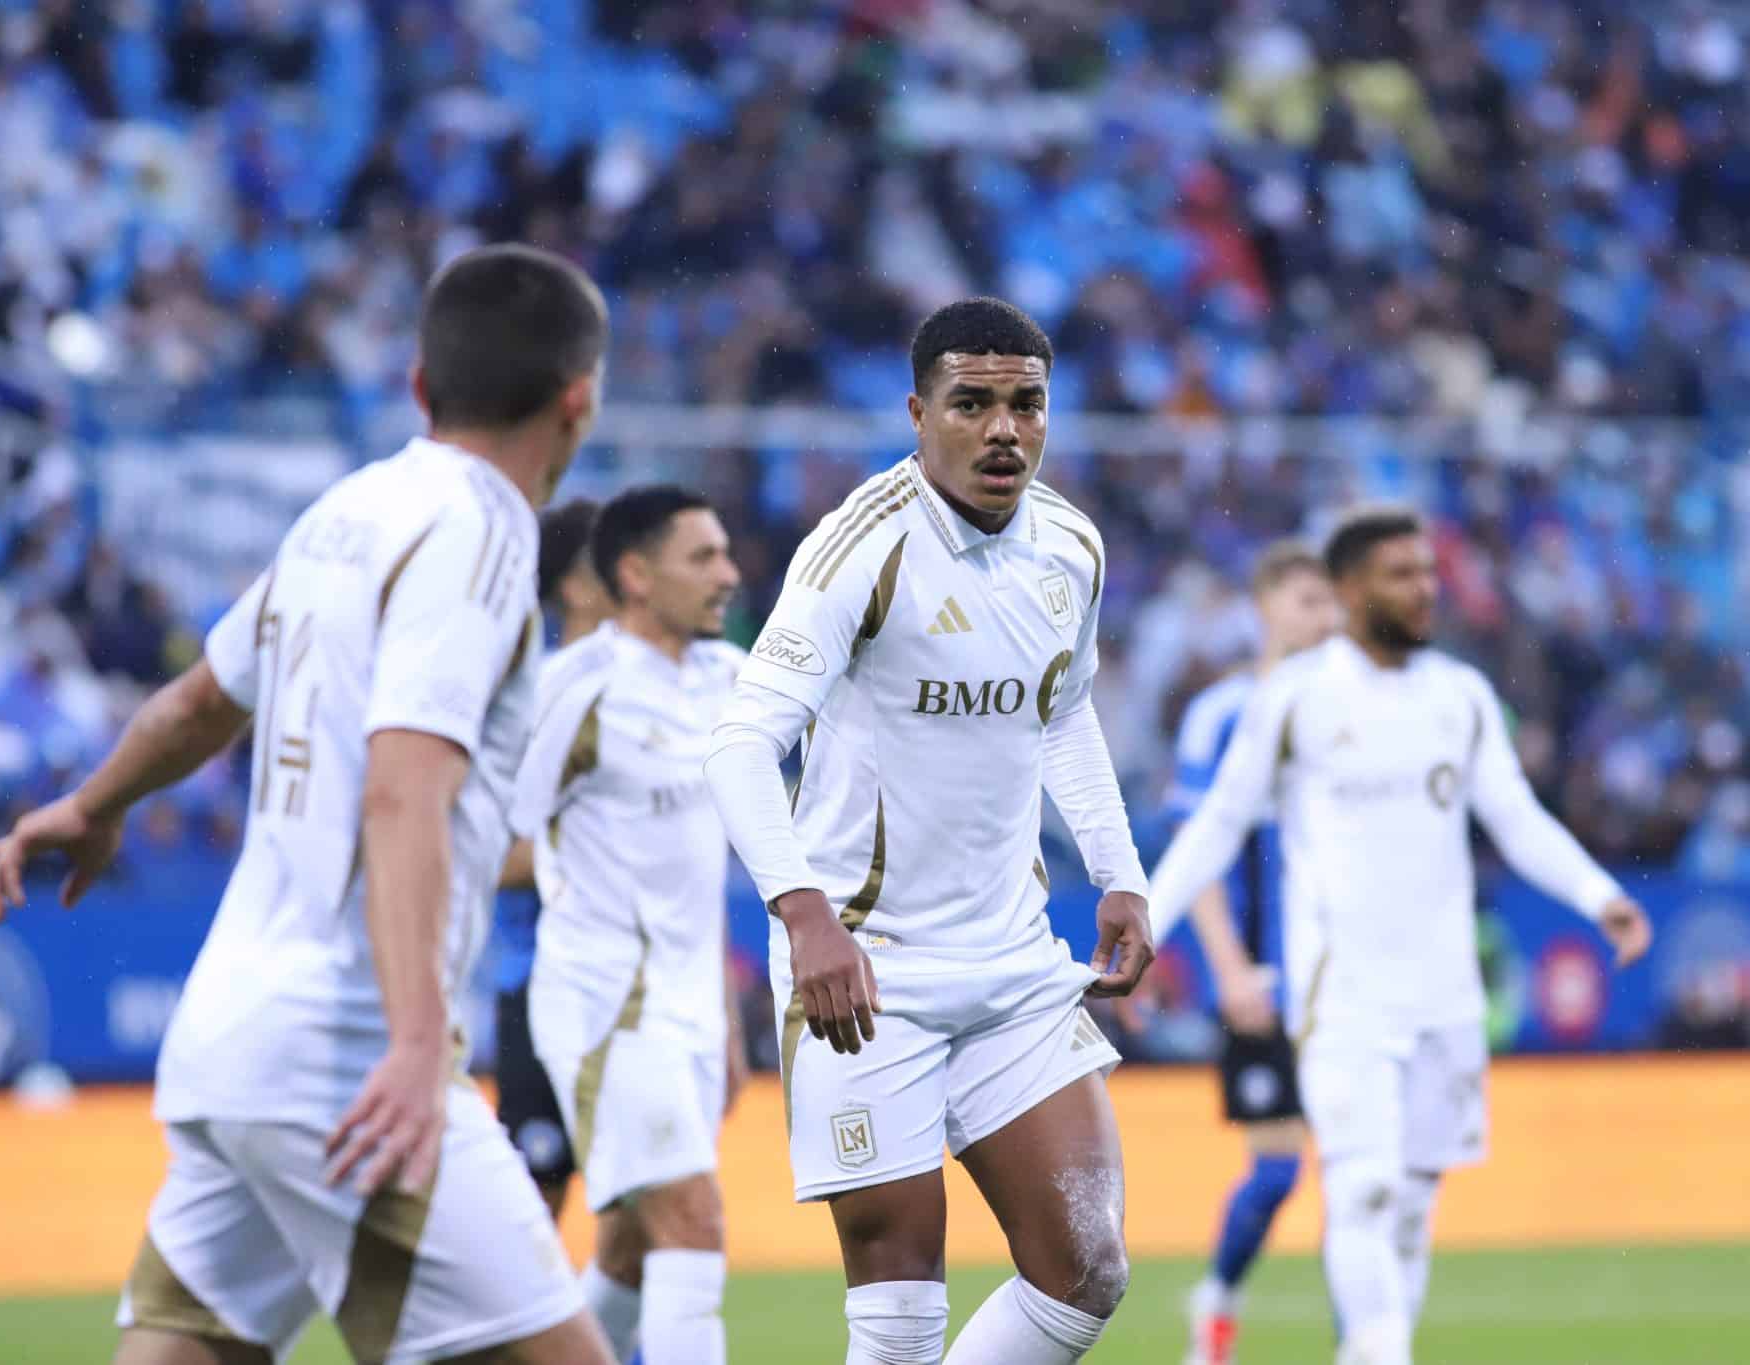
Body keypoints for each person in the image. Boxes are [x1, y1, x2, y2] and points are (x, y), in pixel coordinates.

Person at [0, 244, 619, 1365]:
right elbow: (402, 785)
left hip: (232, 1043)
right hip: (347, 1056)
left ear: (421, 386)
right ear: (581, 400)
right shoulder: (482, 531)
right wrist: (423, 1042)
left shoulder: (347, 509)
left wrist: (92, 804)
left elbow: (198, 701)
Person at [704, 297, 1154, 1365]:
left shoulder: (1071, 549)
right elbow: (735, 744)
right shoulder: (859, 548)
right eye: (973, 404)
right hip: (869, 976)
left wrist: (1119, 873)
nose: (1003, 430)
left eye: (1026, 405)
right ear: (918, 412)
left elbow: (1063, 710)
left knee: (1087, 1273)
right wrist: (805, 916)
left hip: (1010, 964)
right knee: (901, 1318)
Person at [1146, 506, 1653, 1365]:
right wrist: (1146, 923)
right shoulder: (1293, 700)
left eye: (1428, 572)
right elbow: (1219, 823)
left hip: (1446, 996)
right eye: (1402, 574)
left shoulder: (1460, 696)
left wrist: (1598, 894)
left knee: (1413, 1208)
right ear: (1349, 590)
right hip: (1341, 995)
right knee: (1365, 1190)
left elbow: (1515, 817)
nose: (1426, 589)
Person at [509, 484, 748, 1365]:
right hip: (606, 1006)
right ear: (636, 576)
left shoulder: (727, 679)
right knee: (692, 1217)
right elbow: (489, 835)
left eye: (724, 552)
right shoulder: (575, 688)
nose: (728, 573)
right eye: (704, 557)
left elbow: (700, 870)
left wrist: (723, 1019)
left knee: (631, 1248)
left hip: (688, 1009)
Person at [1168, 542, 1339, 1365]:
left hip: (1342, 982)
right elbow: (1200, 851)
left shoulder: (1350, 710)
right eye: (1309, 600)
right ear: (1268, 603)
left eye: (1332, 603)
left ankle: (1368, 1341)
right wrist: (1231, 968)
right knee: (1276, 1175)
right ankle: (1219, 1300)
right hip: (1260, 981)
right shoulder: (1224, 712)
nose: (1326, 618)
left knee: (1358, 1179)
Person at [492, 496, 612, 1222]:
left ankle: (625, 1343)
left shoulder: (659, 685)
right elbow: (488, 853)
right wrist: (601, 851)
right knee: (537, 1202)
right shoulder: (527, 696)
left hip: (636, 984)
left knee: (656, 1208)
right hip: (537, 982)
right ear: (574, 583)